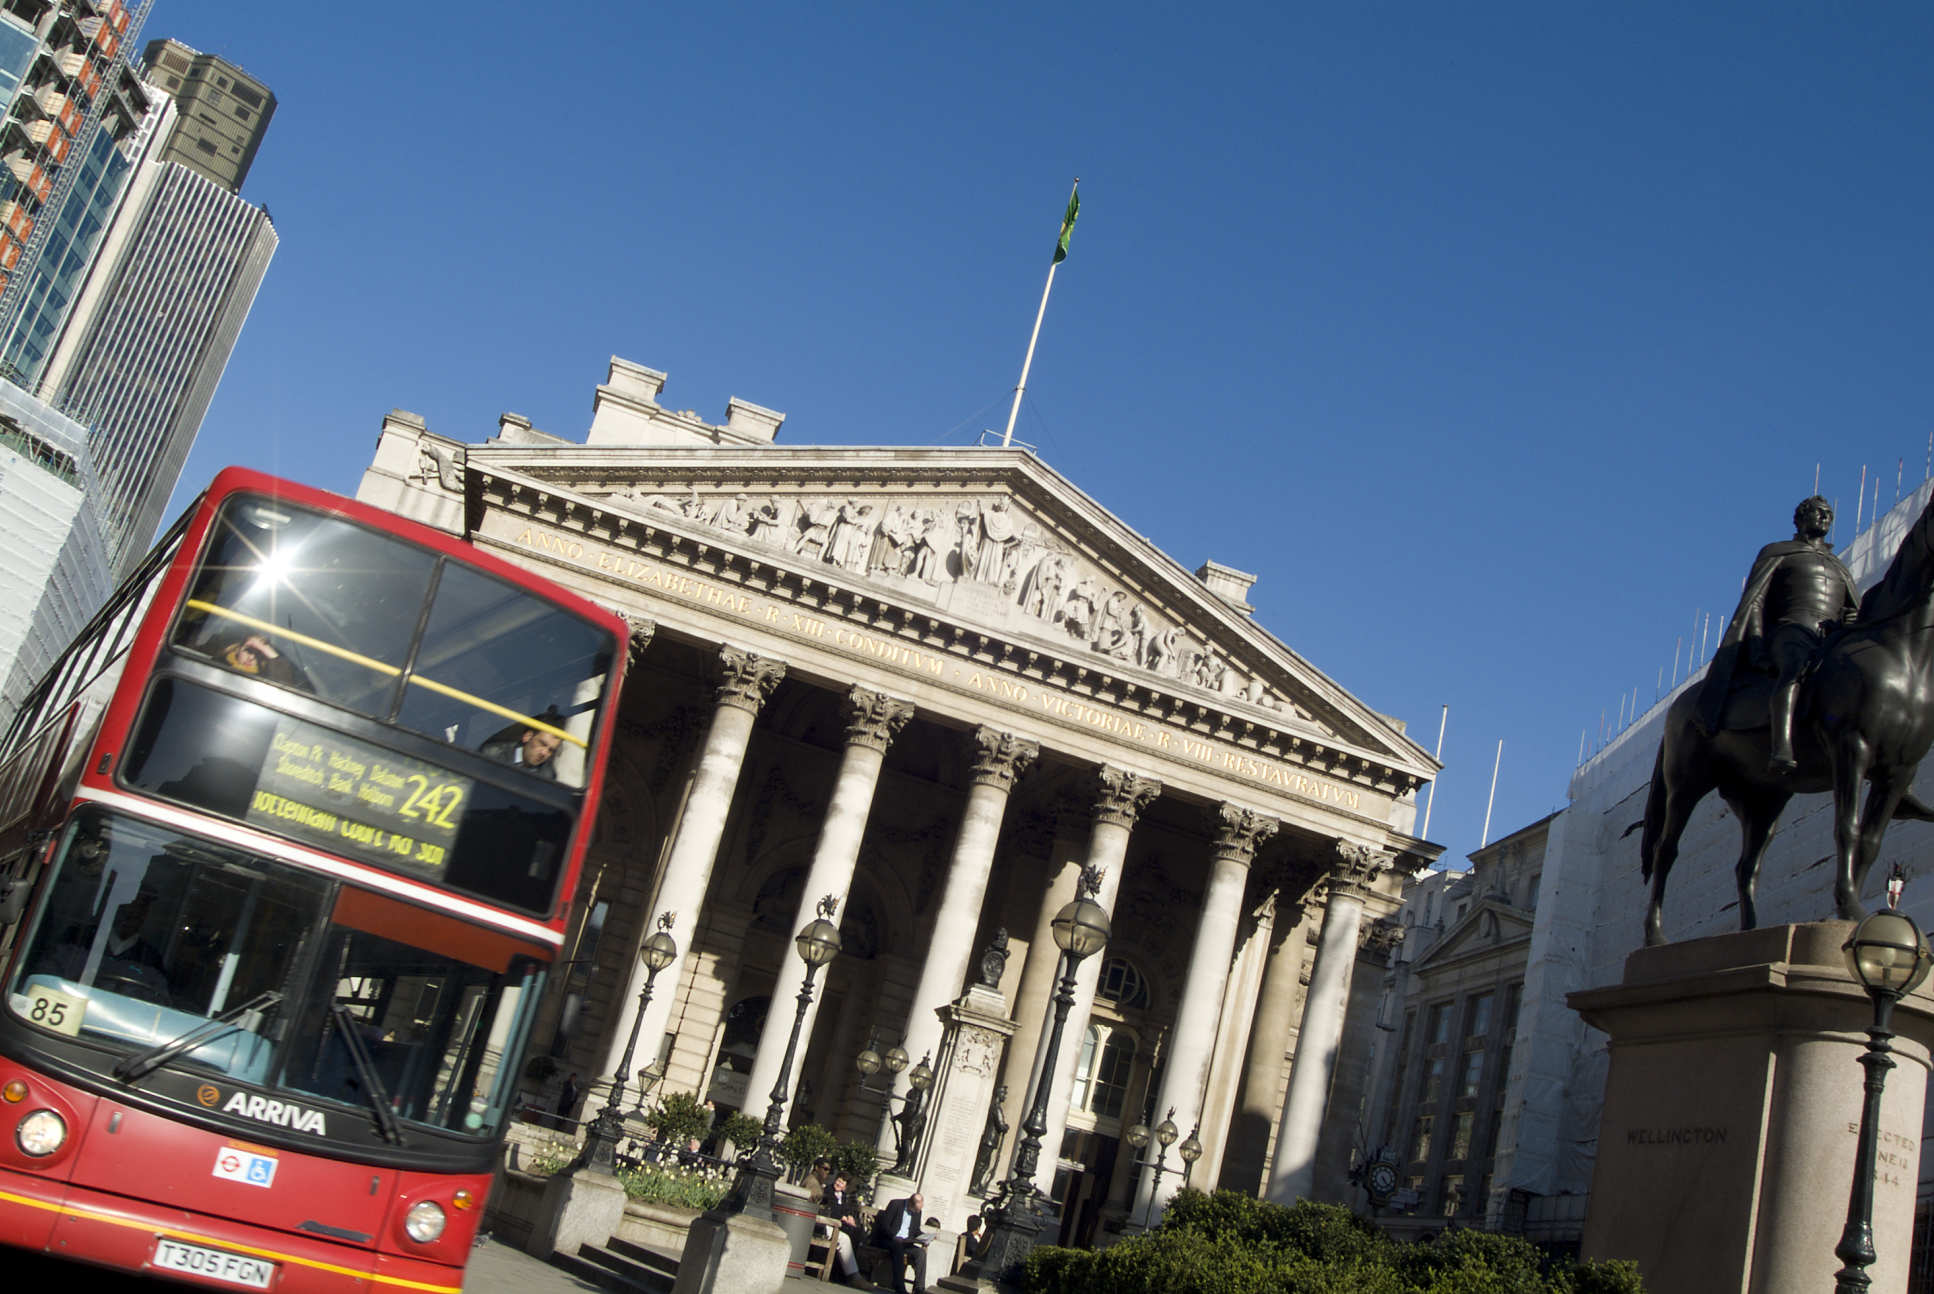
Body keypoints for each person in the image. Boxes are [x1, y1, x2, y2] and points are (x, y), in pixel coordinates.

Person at [1696, 495, 1859, 771]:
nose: (1824, 518)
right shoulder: (1778, 552)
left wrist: (1852, 620)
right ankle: (1781, 746)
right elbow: (1755, 602)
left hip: (1830, 637)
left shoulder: (1838, 566)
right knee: (1795, 667)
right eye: (1818, 512)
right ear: (1800, 518)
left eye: (1828, 515)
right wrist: (1758, 649)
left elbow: (1850, 609)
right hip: (1791, 630)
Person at [871, 1191, 930, 1294]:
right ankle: (899, 1286)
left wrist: (924, 1237)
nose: (917, 1212)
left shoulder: (918, 1212)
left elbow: (916, 1230)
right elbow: (884, 1226)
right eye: (916, 1209)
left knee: (921, 1253)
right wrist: (894, 1237)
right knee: (898, 1247)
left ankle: (919, 1288)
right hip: (889, 1240)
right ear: (911, 1204)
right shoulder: (896, 1205)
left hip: (906, 1242)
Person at [819, 1171, 868, 1289]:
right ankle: (851, 1276)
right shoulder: (827, 1192)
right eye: (838, 1180)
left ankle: (847, 1272)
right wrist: (842, 1217)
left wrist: (849, 1217)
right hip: (827, 1224)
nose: (838, 1183)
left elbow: (847, 1210)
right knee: (846, 1236)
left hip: (839, 1224)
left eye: (842, 1182)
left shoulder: (844, 1196)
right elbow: (828, 1210)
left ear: (846, 1186)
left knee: (858, 1233)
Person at [481, 721, 562, 780]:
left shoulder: (548, 775)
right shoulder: (493, 754)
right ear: (527, 736)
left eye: (550, 750)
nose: (544, 753)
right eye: (542, 743)